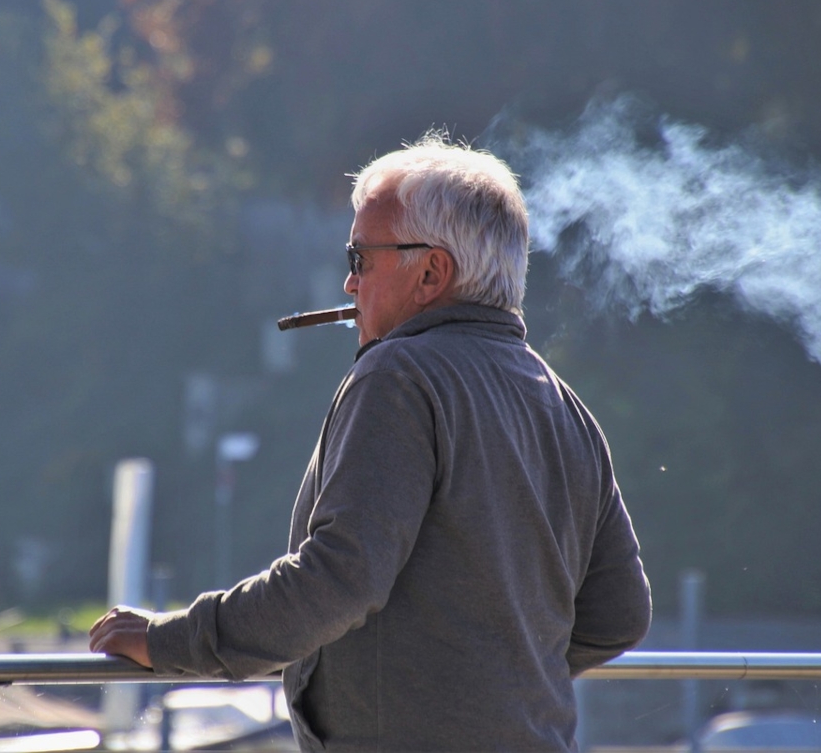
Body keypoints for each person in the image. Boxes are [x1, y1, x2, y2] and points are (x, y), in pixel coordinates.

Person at [89, 132, 652, 751]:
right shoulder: (561, 400)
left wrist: (170, 641)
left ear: (432, 272)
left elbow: (337, 580)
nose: (350, 286)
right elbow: (620, 614)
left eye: (360, 259)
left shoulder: (397, 375)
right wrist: (496, 685)